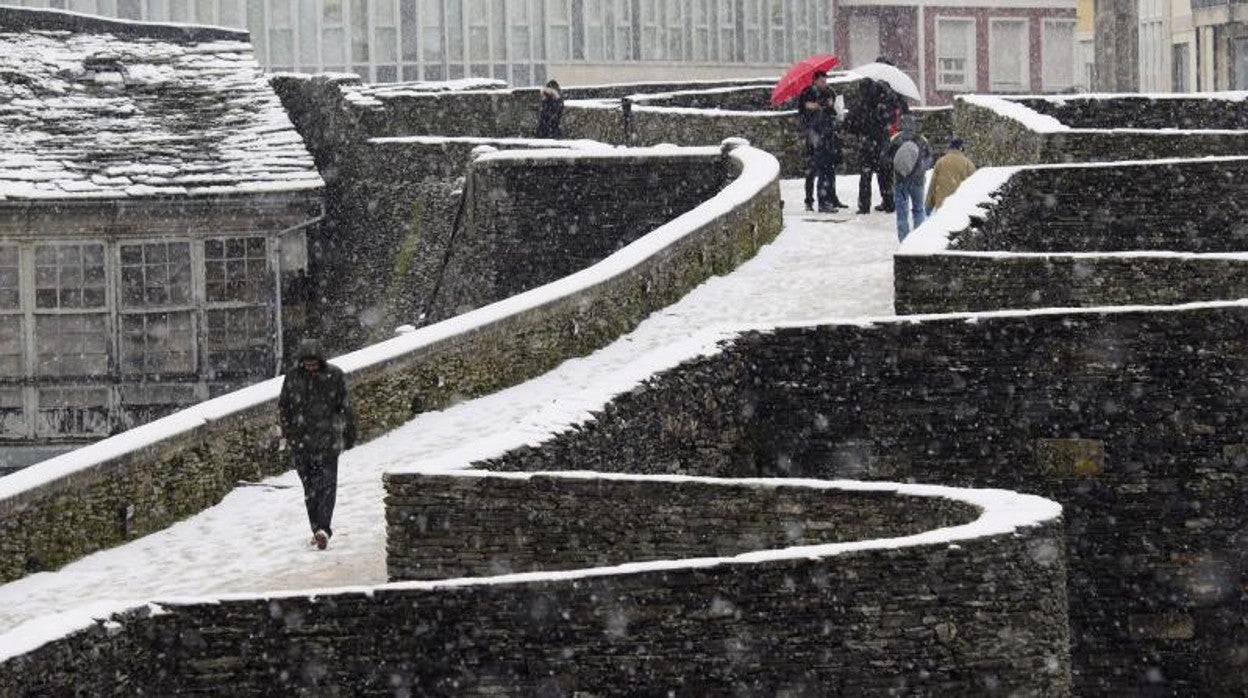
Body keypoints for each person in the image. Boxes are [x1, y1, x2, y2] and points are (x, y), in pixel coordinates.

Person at [279, 338, 357, 550]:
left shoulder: (334, 375)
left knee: (327, 487)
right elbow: (284, 407)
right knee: (311, 490)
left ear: (321, 361)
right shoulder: (293, 378)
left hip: (326, 443)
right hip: (302, 444)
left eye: (314, 363)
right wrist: (289, 433)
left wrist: (349, 434)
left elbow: (346, 408)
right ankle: (317, 528)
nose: (311, 367)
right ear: (301, 362)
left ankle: (323, 528)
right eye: (307, 363)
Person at [797, 71, 847, 212]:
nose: (824, 83)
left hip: (828, 135)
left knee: (829, 168)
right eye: (821, 81)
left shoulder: (830, 92)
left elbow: (834, 112)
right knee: (813, 170)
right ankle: (811, 200)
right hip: (814, 136)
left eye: (825, 80)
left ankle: (831, 197)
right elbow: (804, 110)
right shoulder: (807, 92)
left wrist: (831, 106)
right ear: (815, 81)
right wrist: (813, 106)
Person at [846, 78, 894, 215]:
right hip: (882, 142)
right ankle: (889, 202)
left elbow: (849, 124)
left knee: (866, 176)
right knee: (884, 174)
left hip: (866, 144)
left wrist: (859, 132)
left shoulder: (859, 105)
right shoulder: (881, 102)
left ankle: (864, 206)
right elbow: (888, 120)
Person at [885, 114, 933, 241]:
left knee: (902, 213)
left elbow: (886, 159)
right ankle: (919, 240)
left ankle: (904, 240)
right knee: (918, 210)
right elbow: (930, 158)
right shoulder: (922, 140)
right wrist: (921, 168)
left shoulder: (895, 139)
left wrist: (898, 167)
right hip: (918, 181)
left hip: (900, 181)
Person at [925, 137, 976, 214]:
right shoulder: (968, 164)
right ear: (961, 148)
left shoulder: (941, 162)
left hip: (941, 204)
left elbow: (933, 185)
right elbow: (974, 187)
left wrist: (929, 204)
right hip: (960, 205)